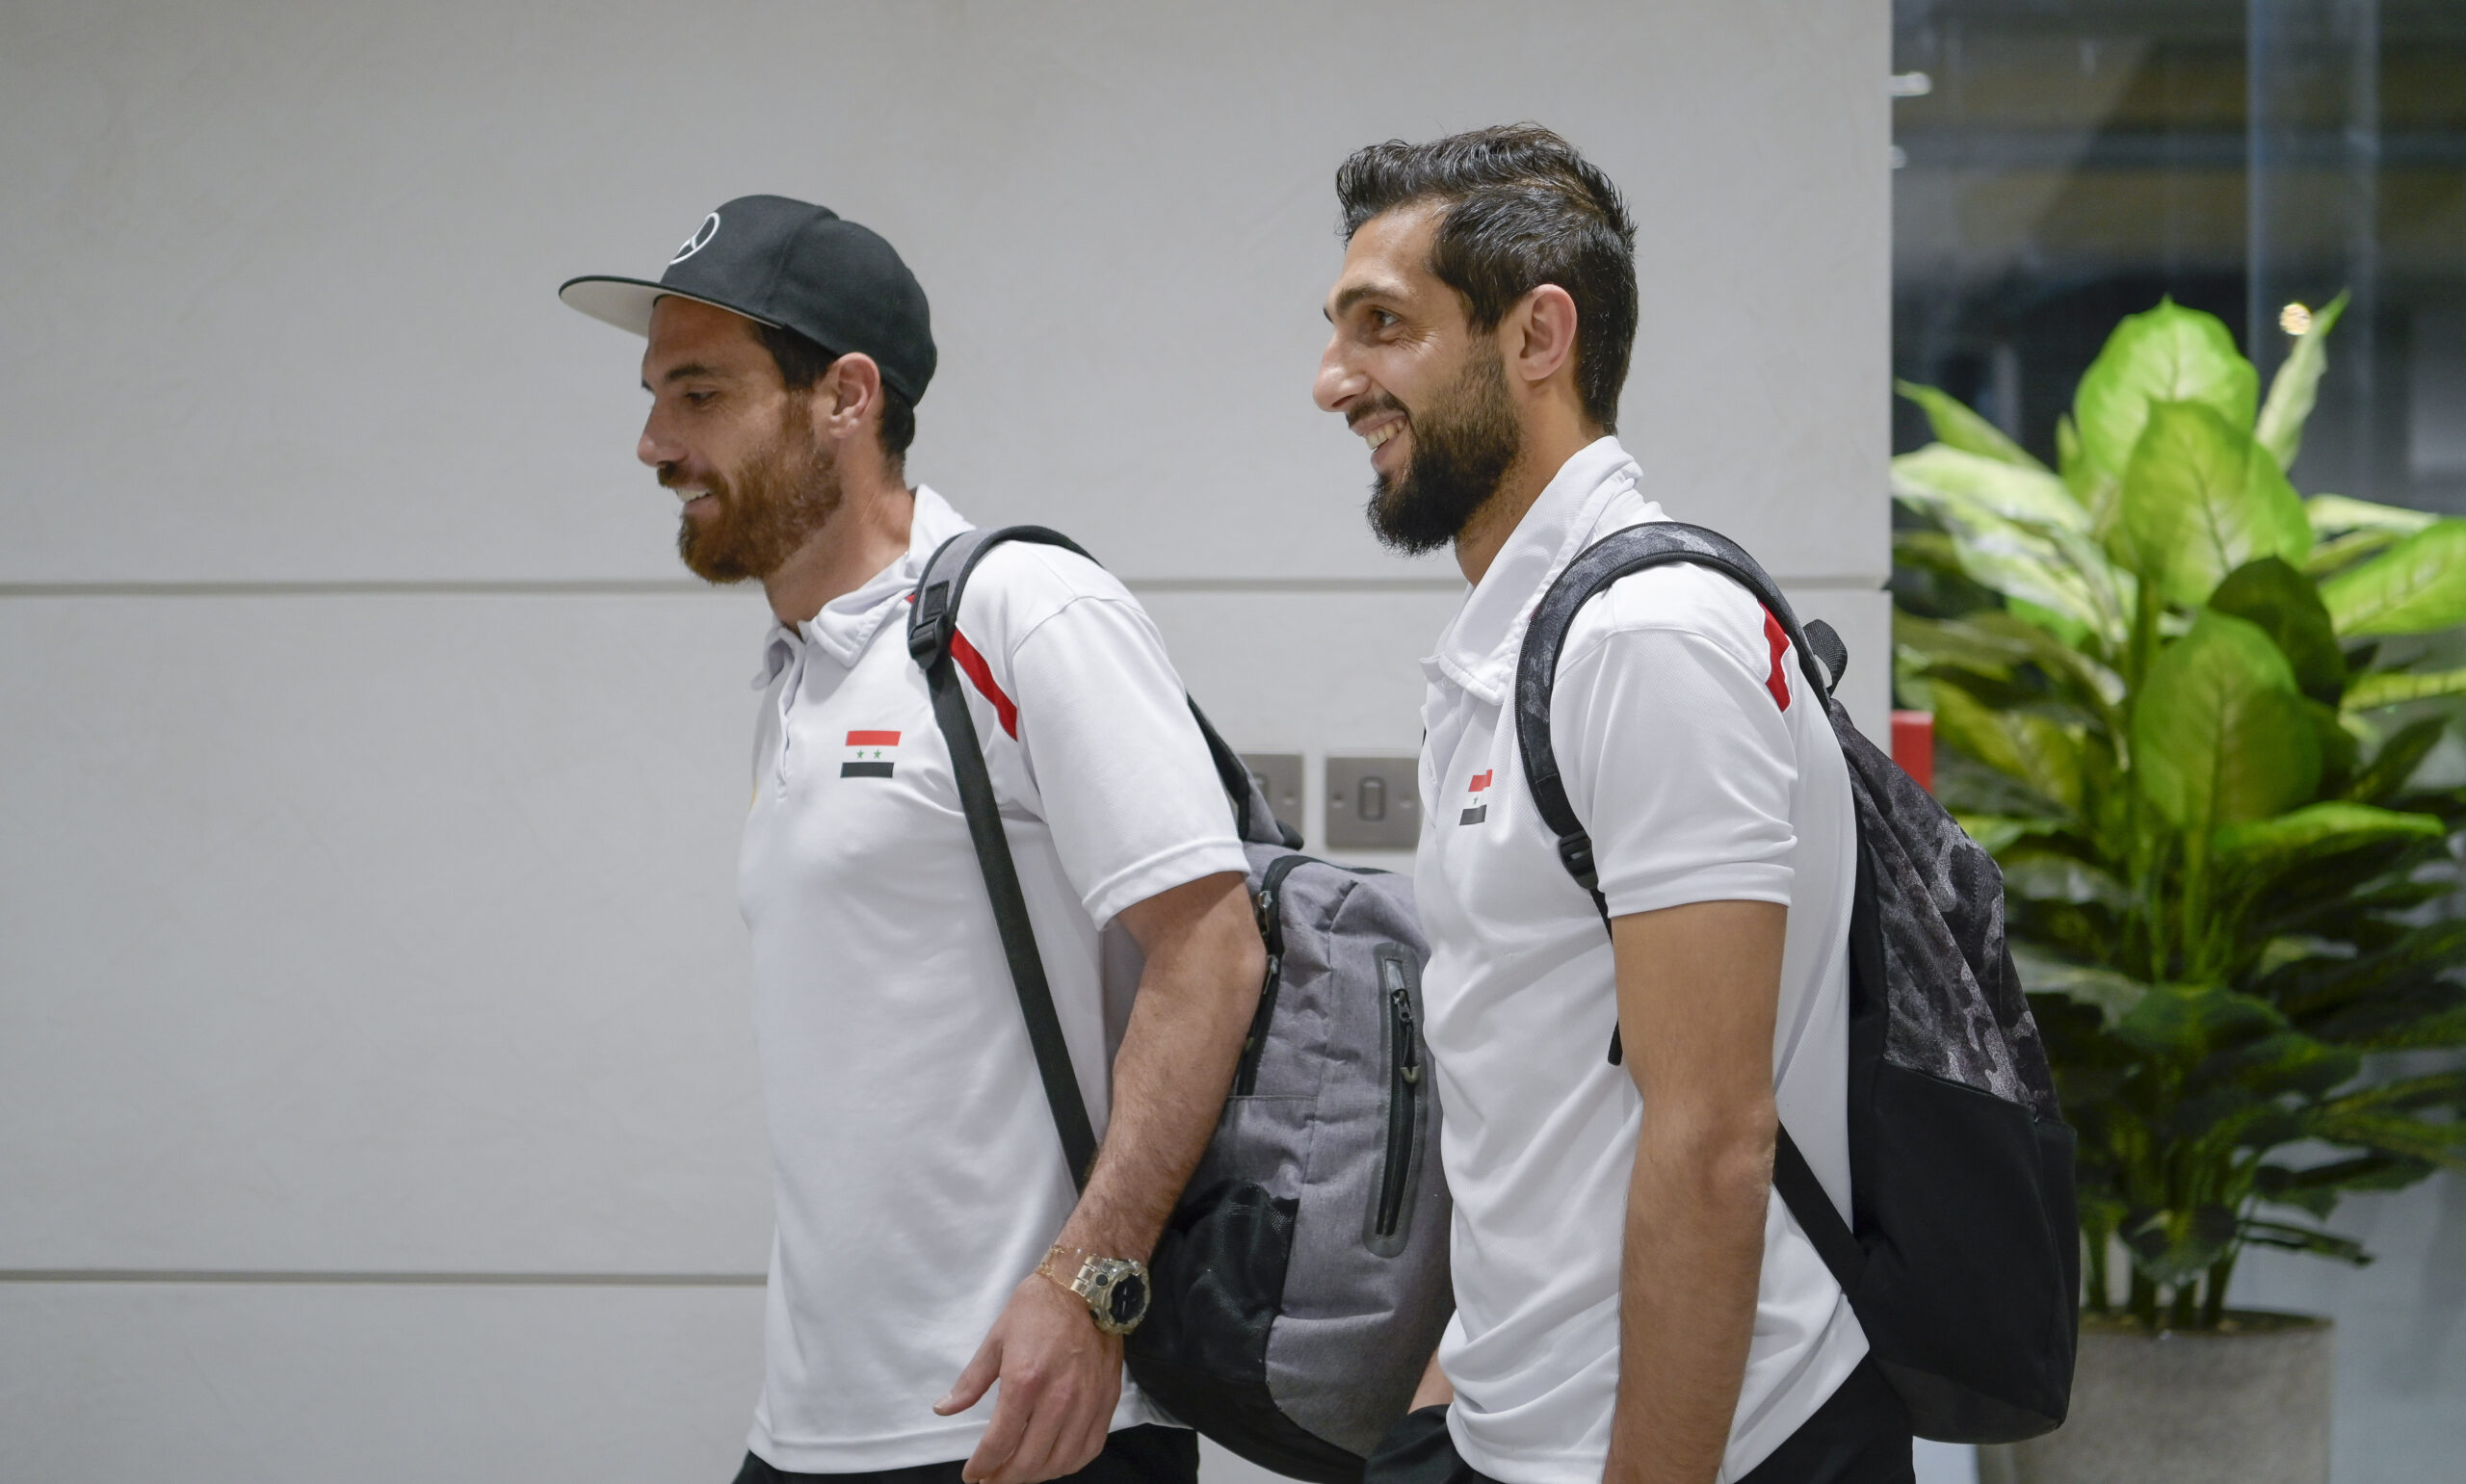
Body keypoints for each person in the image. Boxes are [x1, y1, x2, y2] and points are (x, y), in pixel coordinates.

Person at [559, 195, 1264, 1484]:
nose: (654, 443)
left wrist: (1091, 1283)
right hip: (815, 1422)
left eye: (699, 393)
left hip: (1027, 1417)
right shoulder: (797, 674)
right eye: (655, 396)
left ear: (846, 396)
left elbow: (1212, 949)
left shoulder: (1021, 611)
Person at [1312, 128, 1913, 1484]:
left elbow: (1712, 1138)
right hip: (1520, 1425)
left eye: (1383, 325)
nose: (1333, 380)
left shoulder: (1647, 638)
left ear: (1538, 337)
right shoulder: (1519, 644)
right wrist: (1450, 1387)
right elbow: (1526, 1065)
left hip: (1717, 1446)